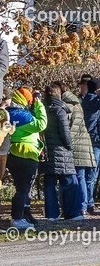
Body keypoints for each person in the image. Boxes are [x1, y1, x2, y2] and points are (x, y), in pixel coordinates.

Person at [2, 88, 46, 231]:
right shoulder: (23, 116)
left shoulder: (9, 113)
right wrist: (39, 105)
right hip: (26, 154)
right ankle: (17, 218)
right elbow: (41, 124)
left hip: (13, 153)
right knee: (23, 188)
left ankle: (23, 214)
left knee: (21, 187)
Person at [40, 83, 81, 221]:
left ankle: (52, 215)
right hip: (61, 151)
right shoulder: (60, 110)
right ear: (59, 94)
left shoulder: (43, 109)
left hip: (47, 152)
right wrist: (69, 146)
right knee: (70, 182)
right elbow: (65, 132)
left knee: (50, 184)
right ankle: (72, 213)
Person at [64, 86, 96, 218]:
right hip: (84, 145)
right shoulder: (78, 105)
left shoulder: (68, 107)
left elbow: (68, 130)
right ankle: (84, 205)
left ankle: (81, 206)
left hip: (76, 146)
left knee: (78, 177)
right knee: (82, 177)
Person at [77, 75, 100, 214]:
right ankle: (88, 203)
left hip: (93, 140)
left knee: (90, 174)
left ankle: (88, 202)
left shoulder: (86, 100)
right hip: (94, 141)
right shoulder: (92, 101)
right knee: (91, 174)